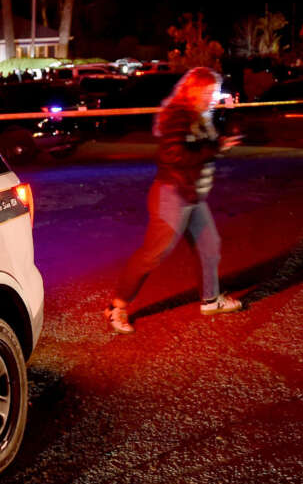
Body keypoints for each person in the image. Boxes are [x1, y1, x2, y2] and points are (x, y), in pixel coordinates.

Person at [104, 67, 243, 334]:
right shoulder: (179, 116)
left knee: (210, 246)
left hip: (191, 194)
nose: (211, 98)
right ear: (192, 91)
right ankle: (116, 307)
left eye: (213, 93)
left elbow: (198, 149)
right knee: (153, 255)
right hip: (173, 194)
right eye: (207, 92)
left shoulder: (200, 116)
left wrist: (218, 144)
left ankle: (211, 301)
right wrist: (215, 148)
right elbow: (173, 156)